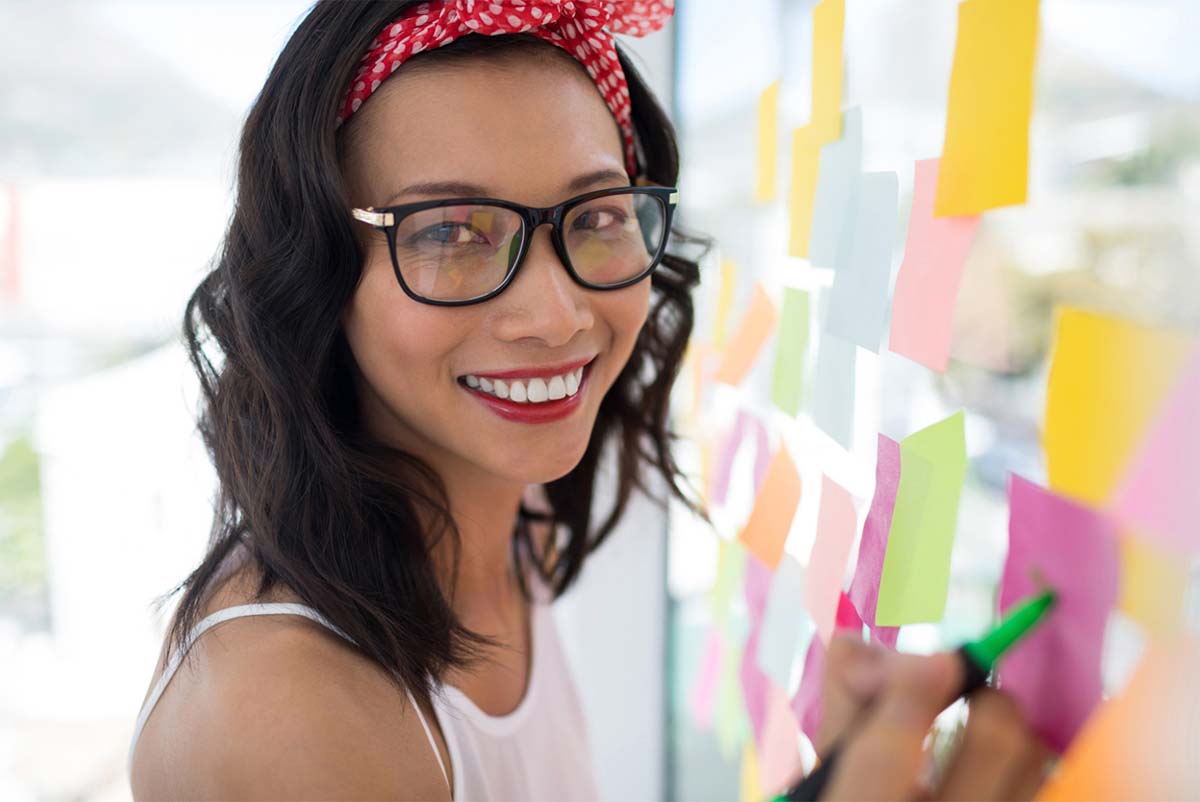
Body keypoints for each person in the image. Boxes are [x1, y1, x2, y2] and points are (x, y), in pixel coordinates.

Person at [126, 1, 704, 799]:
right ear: (318, 276)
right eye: (449, 233)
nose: (555, 315)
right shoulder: (291, 709)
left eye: (596, 215)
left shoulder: (503, 528)